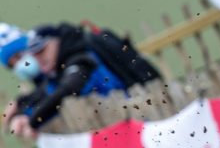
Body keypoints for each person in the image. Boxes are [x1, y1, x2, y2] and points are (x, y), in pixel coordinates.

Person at [1, 22, 160, 138]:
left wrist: (32, 122)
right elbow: (46, 93)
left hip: (146, 118)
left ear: (56, 42)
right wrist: (23, 110)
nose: (38, 59)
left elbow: (66, 90)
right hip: (123, 127)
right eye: (33, 55)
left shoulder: (81, 59)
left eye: (41, 51)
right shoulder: (58, 71)